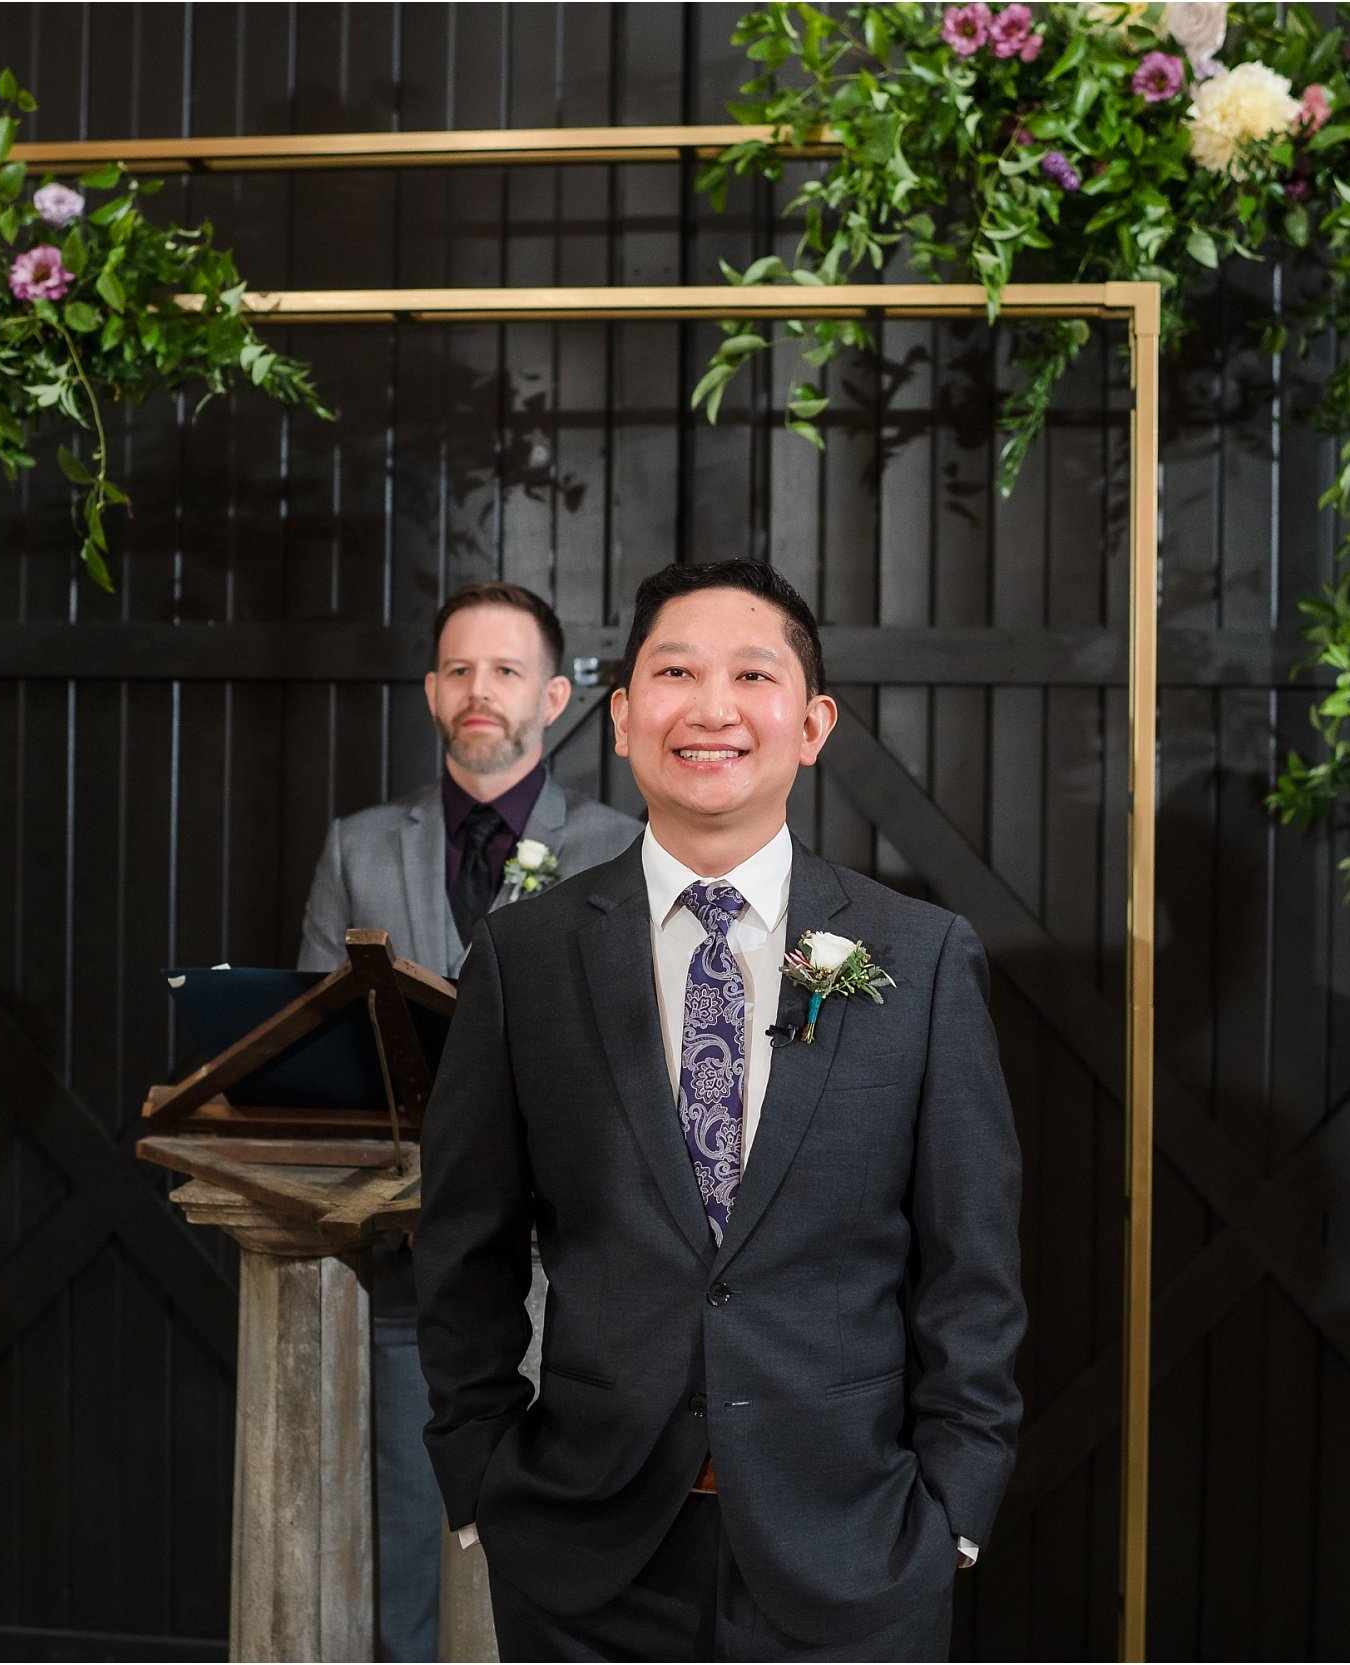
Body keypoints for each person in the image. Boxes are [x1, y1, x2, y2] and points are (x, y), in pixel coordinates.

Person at [414, 559, 1026, 1660]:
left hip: (854, 1549)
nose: (709, 708)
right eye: (674, 672)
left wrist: (955, 1517)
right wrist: (480, 1479)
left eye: (752, 674)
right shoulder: (523, 959)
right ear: (621, 718)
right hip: (585, 1555)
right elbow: (467, 1249)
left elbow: (969, 1266)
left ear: (810, 723)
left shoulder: (920, 960)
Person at [296, 579, 640, 1661]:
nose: (476, 690)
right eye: (456, 669)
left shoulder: (622, 846)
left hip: (592, 1272)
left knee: (574, 1569)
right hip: (411, 1263)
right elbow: (314, 1043)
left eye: (501, 670)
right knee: (410, 1546)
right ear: (433, 690)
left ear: (551, 694)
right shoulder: (359, 847)